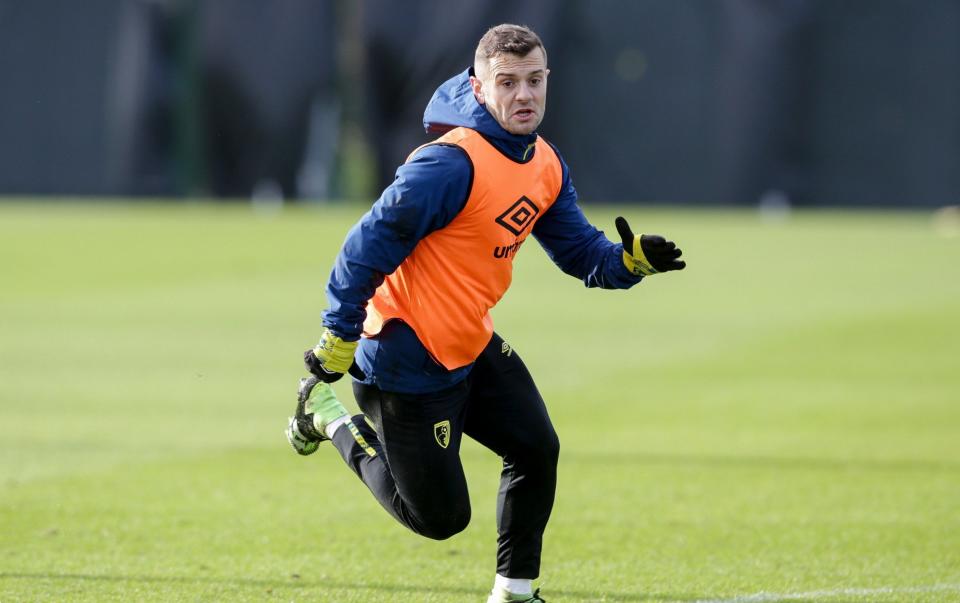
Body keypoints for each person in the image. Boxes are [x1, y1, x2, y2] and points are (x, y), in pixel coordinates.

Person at [285, 24, 686, 603]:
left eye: (535, 80)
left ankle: (515, 593)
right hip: (406, 358)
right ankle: (329, 417)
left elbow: (581, 254)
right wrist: (339, 333)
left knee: (535, 447)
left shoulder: (544, 163)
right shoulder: (449, 166)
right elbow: (362, 248)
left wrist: (630, 262)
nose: (524, 95)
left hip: (470, 343)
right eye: (508, 82)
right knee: (440, 520)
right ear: (478, 88)